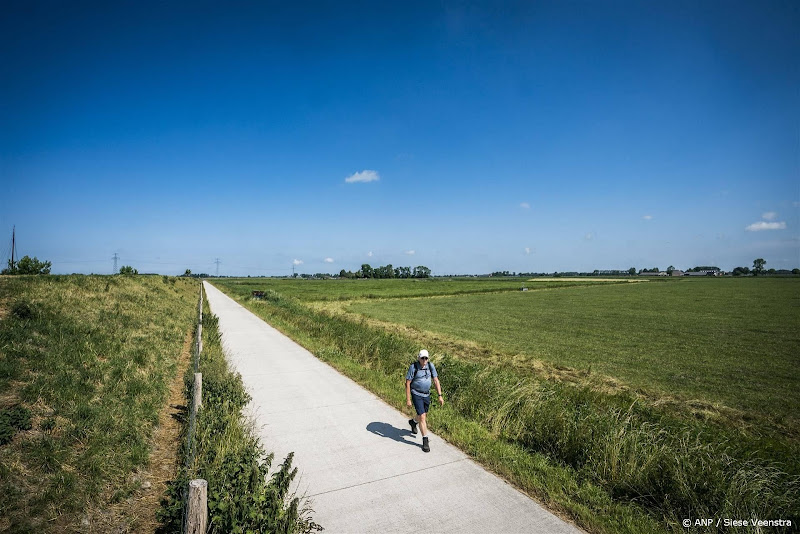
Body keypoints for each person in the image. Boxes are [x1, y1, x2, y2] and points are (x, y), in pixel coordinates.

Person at [405, 349, 443, 452]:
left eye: (426, 358)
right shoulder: (413, 367)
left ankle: (413, 422)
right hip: (416, 393)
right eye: (422, 358)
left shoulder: (431, 366)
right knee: (422, 417)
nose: (424, 360)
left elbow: (436, 380)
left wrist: (440, 395)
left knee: (423, 414)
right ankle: (425, 441)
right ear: (419, 358)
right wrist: (408, 399)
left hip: (426, 394)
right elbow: (408, 382)